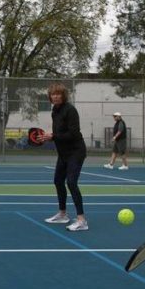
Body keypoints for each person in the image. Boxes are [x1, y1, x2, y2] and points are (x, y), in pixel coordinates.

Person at [40, 83, 89, 231]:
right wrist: (51, 137)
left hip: (76, 151)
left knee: (71, 183)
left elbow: (73, 134)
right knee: (58, 181)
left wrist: (53, 136)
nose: (55, 96)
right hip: (63, 154)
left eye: (58, 94)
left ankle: (81, 220)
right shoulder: (55, 111)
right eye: (52, 94)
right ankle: (63, 215)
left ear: (63, 95)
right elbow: (59, 134)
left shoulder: (70, 110)